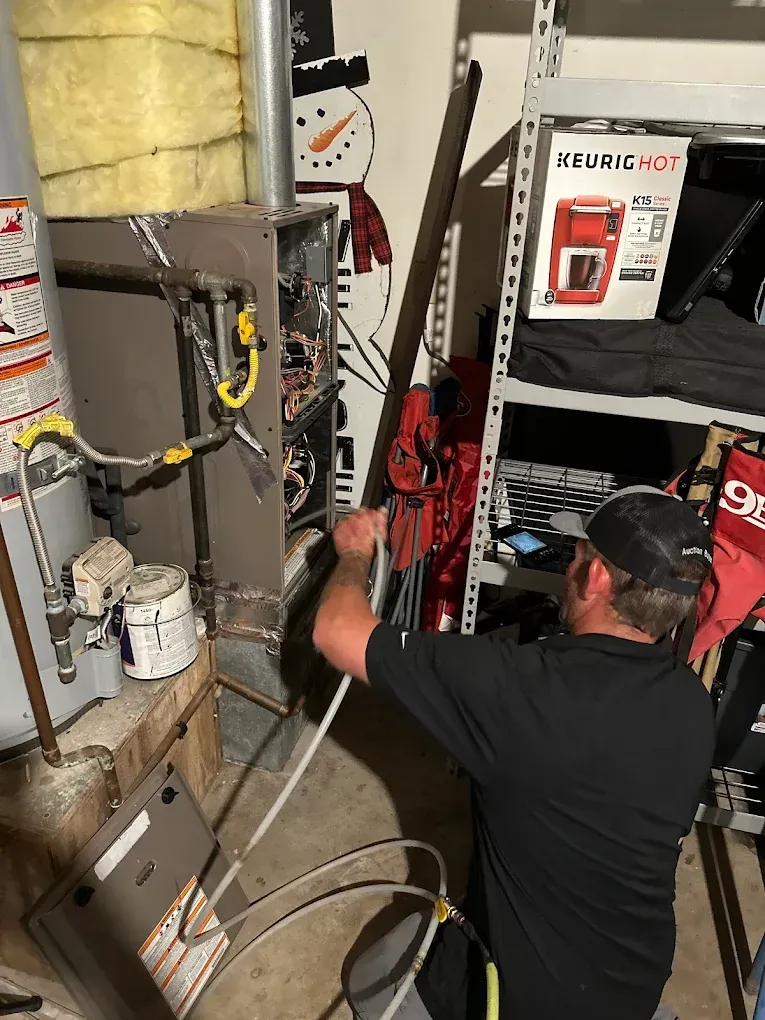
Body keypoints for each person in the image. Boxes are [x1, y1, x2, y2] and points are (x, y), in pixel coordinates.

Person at [312, 486, 715, 1020]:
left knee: (371, 978)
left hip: (521, 1004)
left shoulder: (516, 687)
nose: (570, 564)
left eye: (577, 554)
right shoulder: (692, 703)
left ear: (595, 578)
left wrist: (355, 552)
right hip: (630, 993)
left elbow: (336, 631)